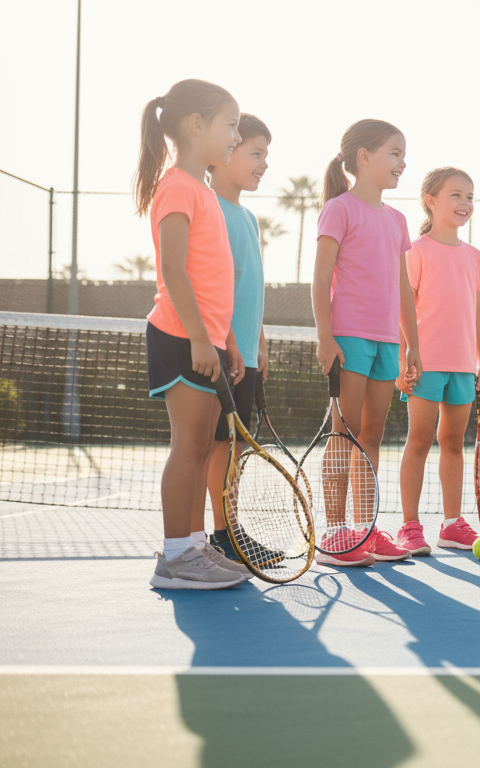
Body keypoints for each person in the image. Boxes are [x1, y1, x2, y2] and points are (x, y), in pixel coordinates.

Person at [134, 79, 250, 589]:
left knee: (203, 446)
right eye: (230, 124)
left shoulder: (199, 189)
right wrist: (202, 339)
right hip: (182, 336)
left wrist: (226, 339)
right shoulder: (177, 186)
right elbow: (175, 272)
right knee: (189, 446)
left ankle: (193, 546)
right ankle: (176, 557)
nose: (235, 135)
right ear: (196, 125)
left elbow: (213, 278)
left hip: (204, 338)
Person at [312, 119, 421, 567]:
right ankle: (336, 532)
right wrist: (325, 337)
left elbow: (403, 288)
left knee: (371, 435)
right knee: (345, 433)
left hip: (385, 344)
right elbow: (320, 279)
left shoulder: (397, 220)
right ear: (364, 157)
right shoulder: (339, 209)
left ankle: (365, 530)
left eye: (403, 154)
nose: (402, 162)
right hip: (348, 338)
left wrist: (411, 343)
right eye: (394, 153)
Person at [395, 167, 480, 556]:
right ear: (430, 201)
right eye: (455, 195)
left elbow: (478, 314)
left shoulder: (474, 257)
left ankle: (452, 524)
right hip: (425, 364)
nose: (464, 203)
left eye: (469, 197)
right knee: (418, 440)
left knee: (453, 442)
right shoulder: (415, 251)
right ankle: (409, 526)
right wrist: (405, 357)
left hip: (464, 366)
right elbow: (402, 309)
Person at [204, 113, 276, 564]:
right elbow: (212, 286)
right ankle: (218, 534)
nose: (263, 163)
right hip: (218, 349)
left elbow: (249, 286)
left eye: (266, 155)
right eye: (256, 153)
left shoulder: (247, 217)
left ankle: (230, 532)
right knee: (215, 447)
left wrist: (259, 341)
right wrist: (230, 340)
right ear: (226, 151)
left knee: (234, 451)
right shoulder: (207, 208)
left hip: (244, 354)